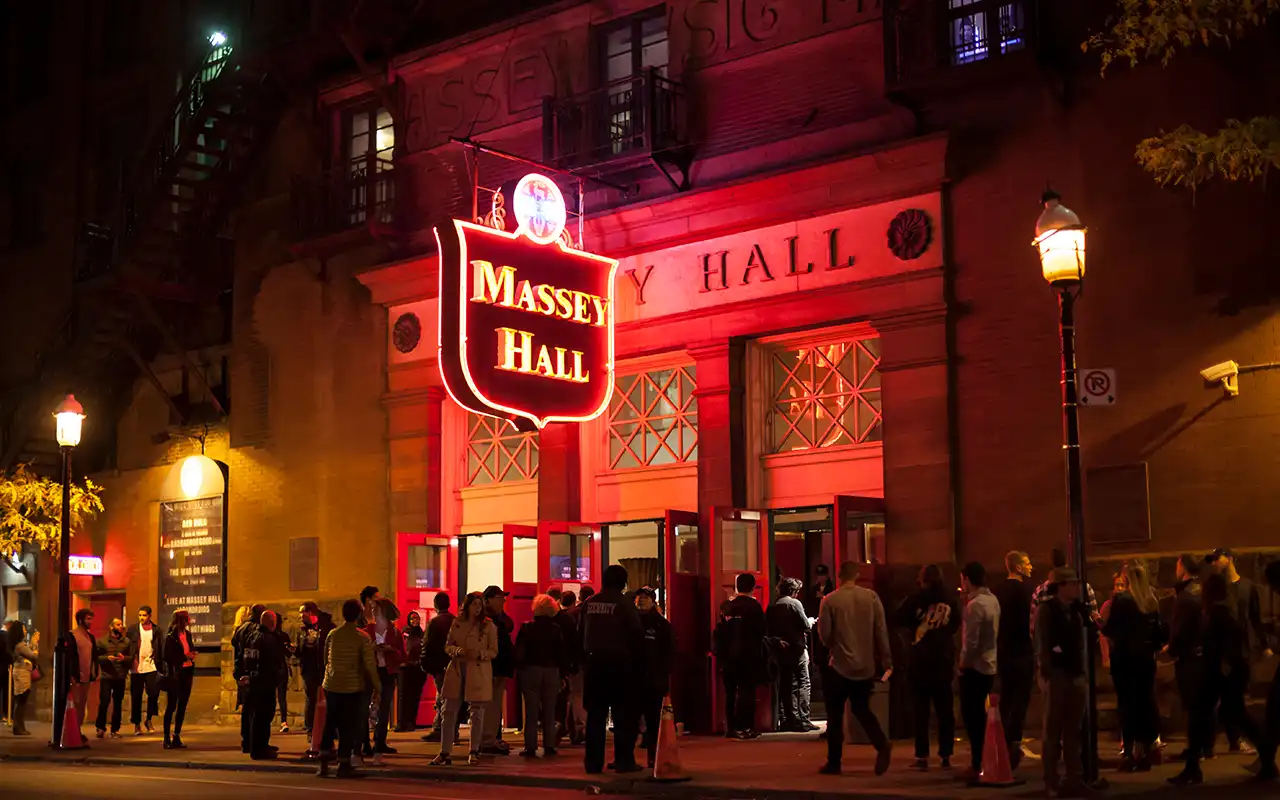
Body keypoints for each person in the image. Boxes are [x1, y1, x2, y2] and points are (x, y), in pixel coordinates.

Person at [1169, 572, 1268, 786]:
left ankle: (1267, 759)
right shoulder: (1219, 611)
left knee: (1222, 715)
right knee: (1212, 715)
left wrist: (1224, 661)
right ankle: (1193, 767)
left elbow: (1228, 640)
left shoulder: (1218, 613)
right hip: (1218, 673)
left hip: (1218, 673)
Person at [816, 561, 892, 776]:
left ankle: (834, 761)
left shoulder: (830, 600)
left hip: (839, 665)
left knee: (835, 714)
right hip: (865, 665)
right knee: (861, 709)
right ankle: (881, 743)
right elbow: (881, 631)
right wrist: (886, 660)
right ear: (856, 575)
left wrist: (835, 646)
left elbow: (825, 636)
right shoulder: (871, 597)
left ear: (839, 576)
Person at [1207, 547, 1272, 755]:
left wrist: (1264, 644)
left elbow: (1254, 617)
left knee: (1233, 701)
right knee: (1225, 701)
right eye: (1213, 560)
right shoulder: (1215, 587)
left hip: (1239, 651)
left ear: (1230, 559)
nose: (1214, 563)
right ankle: (1233, 741)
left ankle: (1253, 741)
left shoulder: (1246, 587)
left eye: (1218, 558)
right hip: (1221, 651)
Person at [895, 564, 960, 770]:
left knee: (921, 711)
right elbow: (956, 623)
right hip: (942, 659)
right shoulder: (950, 598)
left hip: (920, 659)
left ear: (923, 580)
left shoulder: (915, 598)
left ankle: (922, 755)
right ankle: (946, 754)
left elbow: (898, 618)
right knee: (945, 711)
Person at [582, 564, 644, 774]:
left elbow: (581, 632)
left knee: (595, 716)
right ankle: (624, 761)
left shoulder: (590, 603)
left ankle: (593, 763)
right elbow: (636, 635)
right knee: (623, 716)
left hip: (594, 664)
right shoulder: (624, 604)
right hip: (620, 665)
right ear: (623, 582)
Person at [1104, 561, 1164, 772]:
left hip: (1125, 661)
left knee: (1127, 705)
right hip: (1146, 660)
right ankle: (1146, 749)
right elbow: (1159, 634)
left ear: (1127, 579)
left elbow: (1111, 630)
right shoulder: (1151, 600)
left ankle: (1129, 753)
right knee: (1146, 703)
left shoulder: (1122, 600)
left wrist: (1098, 621)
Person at [1035, 567, 1090, 797]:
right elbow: (1042, 642)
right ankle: (1051, 780)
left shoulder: (1076, 611)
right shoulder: (1047, 610)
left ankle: (1073, 778)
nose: (1077, 587)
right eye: (1073, 583)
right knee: (1053, 729)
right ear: (1061, 586)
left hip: (1074, 672)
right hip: (1057, 674)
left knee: (1073, 730)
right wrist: (1045, 673)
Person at [431, 591, 497, 767]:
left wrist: (481, 654)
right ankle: (444, 751)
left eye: (479, 604)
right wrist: (457, 651)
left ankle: (474, 750)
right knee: (448, 710)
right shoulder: (457, 623)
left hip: (477, 669)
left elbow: (494, 650)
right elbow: (448, 646)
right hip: (458, 669)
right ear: (466, 606)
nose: (477, 608)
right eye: (474, 604)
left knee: (476, 711)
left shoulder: (487, 626)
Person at [317, 599, 381, 779]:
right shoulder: (362, 637)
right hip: (352, 686)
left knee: (330, 723)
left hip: (332, 684)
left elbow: (326, 659)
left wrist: (328, 677)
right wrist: (378, 687)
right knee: (347, 725)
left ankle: (323, 762)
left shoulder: (333, 634)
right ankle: (343, 764)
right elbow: (369, 665)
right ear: (359, 614)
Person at [957, 561, 999, 781]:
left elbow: (970, 642)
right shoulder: (992, 601)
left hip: (975, 667)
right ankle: (985, 759)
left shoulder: (975, 606)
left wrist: (963, 664)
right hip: (990, 664)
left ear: (967, 579)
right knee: (981, 716)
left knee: (973, 718)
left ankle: (977, 764)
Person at [994, 550, 1036, 769]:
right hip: (1024, 650)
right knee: (1021, 699)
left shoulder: (998, 591)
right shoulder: (1028, 591)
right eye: (1027, 563)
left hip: (1004, 651)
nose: (1031, 567)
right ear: (1018, 567)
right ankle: (1014, 739)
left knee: (1007, 697)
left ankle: (1001, 740)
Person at [715, 573, 767, 740]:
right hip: (748, 655)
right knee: (747, 691)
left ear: (736, 587)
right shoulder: (754, 607)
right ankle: (745, 727)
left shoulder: (728, 606)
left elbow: (720, 630)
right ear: (753, 588)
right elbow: (761, 631)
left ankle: (730, 728)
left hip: (728, 655)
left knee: (730, 692)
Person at [515, 593, 567, 757]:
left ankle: (530, 746)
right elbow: (561, 654)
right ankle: (549, 745)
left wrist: (519, 668)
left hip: (531, 670)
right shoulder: (556, 630)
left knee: (531, 711)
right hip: (551, 671)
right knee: (549, 710)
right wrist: (563, 674)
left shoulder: (527, 628)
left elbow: (519, 653)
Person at [1167, 555, 1205, 760]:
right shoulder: (1200, 591)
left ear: (1183, 567)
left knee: (1192, 705)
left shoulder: (1186, 597)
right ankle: (1204, 748)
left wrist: (1172, 649)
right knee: (1200, 705)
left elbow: (1180, 630)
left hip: (1189, 658)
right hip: (1201, 655)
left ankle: (1194, 752)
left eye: (1177, 565)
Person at [767, 577, 815, 733]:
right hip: (797, 648)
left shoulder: (772, 606)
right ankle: (804, 719)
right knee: (803, 683)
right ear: (793, 591)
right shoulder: (794, 604)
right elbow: (805, 625)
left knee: (787, 685)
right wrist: (810, 621)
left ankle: (788, 719)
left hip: (781, 649)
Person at [361, 586, 405, 755]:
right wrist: (372, 648)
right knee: (364, 706)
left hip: (387, 672)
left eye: (375, 608)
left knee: (384, 707)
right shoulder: (367, 631)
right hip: (371, 672)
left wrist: (391, 650)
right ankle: (364, 743)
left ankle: (380, 741)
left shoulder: (394, 632)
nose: (372, 610)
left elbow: (403, 655)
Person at [635, 586, 673, 767]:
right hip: (634, 677)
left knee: (653, 720)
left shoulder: (661, 625)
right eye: (639, 597)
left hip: (653, 678)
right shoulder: (631, 621)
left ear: (653, 601)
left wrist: (663, 676)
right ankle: (625, 758)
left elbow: (669, 653)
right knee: (630, 720)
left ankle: (653, 757)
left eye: (645, 597)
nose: (641, 600)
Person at [481, 585, 515, 755]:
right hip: (492, 666)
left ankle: (491, 737)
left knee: (494, 703)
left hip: (499, 666)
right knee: (489, 703)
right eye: (500, 597)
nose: (504, 600)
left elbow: (509, 624)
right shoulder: (486, 618)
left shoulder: (498, 617)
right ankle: (487, 739)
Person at [420, 592, 457, 743]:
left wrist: (425, 663)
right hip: (454, 663)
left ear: (436, 605)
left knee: (442, 697)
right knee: (451, 697)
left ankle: (441, 730)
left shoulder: (434, 623)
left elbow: (427, 644)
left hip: (439, 664)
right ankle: (448, 729)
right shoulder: (455, 621)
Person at [296, 601, 334, 737]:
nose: (300, 616)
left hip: (324, 668)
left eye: (303, 612)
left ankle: (328, 728)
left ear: (311, 612)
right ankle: (311, 728)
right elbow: (302, 649)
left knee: (328, 698)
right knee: (311, 699)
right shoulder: (303, 630)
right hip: (309, 669)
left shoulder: (326, 626)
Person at [232, 604, 266, 752]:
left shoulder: (241, 629)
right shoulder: (256, 629)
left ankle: (245, 741)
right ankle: (252, 742)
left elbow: (235, 645)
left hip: (241, 671)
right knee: (255, 709)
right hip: (251, 673)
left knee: (247, 707)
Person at [126, 605, 164, 736]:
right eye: (140, 615)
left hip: (151, 665)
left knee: (153, 693)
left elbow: (160, 646)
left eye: (144, 615)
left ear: (149, 616)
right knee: (136, 695)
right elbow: (128, 645)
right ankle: (137, 724)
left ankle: (148, 719)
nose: (142, 618)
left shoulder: (156, 630)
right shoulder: (133, 629)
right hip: (136, 666)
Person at [162, 609, 196, 749]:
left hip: (187, 671)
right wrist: (184, 657)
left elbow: (190, 647)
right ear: (181, 620)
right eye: (186, 618)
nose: (188, 621)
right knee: (171, 706)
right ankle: (166, 738)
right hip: (176, 674)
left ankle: (176, 735)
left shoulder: (187, 634)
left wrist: (192, 655)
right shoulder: (171, 636)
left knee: (182, 705)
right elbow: (167, 656)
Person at [565, 586, 593, 745]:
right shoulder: (591, 614)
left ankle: (577, 728)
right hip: (588, 659)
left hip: (576, 660)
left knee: (576, 695)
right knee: (582, 695)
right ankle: (582, 728)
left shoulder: (572, 614)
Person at [95, 617, 130, 739]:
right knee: (104, 702)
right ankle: (100, 728)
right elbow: (96, 657)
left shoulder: (126, 641)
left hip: (120, 676)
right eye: (117, 624)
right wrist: (106, 658)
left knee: (118, 703)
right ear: (111, 627)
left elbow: (131, 658)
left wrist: (123, 659)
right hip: (106, 676)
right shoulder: (102, 641)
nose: (120, 626)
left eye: (121, 624)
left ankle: (115, 729)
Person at [68, 608, 98, 735]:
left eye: (91, 619)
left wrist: (94, 672)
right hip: (76, 676)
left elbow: (94, 655)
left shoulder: (90, 637)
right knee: (75, 704)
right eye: (88, 619)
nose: (90, 622)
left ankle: (78, 731)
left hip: (87, 676)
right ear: (81, 620)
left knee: (81, 706)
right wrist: (71, 674)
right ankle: (72, 731)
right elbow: (70, 656)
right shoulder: (72, 635)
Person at [397, 610, 427, 732]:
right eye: (412, 618)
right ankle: (401, 722)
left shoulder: (422, 634)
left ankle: (411, 722)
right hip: (405, 667)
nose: (415, 620)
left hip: (418, 668)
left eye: (417, 618)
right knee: (403, 696)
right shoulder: (405, 633)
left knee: (415, 696)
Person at [6, 622, 37, 735]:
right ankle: (18, 727)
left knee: (20, 700)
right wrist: (35, 646)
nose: (25, 630)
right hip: (22, 673)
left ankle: (19, 726)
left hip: (20, 672)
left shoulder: (19, 645)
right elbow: (33, 655)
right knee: (21, 700)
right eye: (23, 628)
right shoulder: (20, 646)